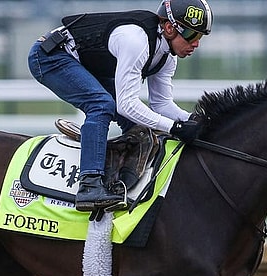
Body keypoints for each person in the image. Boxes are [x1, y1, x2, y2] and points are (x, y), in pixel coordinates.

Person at [28, 0, 213, 212]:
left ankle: (116, 169)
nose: (196, 44)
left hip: (82, 61)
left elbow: (161, 104)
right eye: (191, 35)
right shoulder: (136, 41)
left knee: (139, 127)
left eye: (200, 37)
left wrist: (193, 121)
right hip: (50, 56)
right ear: (170, 28)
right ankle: (89, 186)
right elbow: (126, 105)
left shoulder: (167, 57)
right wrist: (175, 127)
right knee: (101, 104)